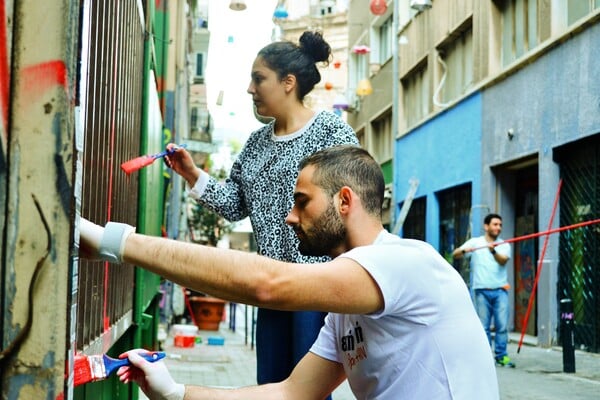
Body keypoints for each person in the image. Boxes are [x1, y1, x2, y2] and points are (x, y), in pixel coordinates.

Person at [80, 145, 499, 400]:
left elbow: (268, 285)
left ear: (344, 202)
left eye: (302, 201)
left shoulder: (407, 261)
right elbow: (292, 393)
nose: (290, 217)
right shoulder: (345, 311)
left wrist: (112, 243)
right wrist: (174, 392)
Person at [164, 30, 358, 387]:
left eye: (258, 79)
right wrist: (192, 174)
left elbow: (354, 203)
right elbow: (235, 205)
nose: (250, 89)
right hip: (269, 286)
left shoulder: (332, 133)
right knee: (271, 384)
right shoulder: (255, 144)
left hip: (316, 286)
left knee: (308, 391)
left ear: (288, 82)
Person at [452, 213, 515, 368]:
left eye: (500, 225)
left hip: (500, 291)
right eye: (495, 224)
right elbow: (456, 254)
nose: (498, 227)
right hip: (481, 290)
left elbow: (502, 261)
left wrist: (493, 251)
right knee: (484, 326)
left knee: (501, 326)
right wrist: (466, 250)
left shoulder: (504, 245)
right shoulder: (476, 242)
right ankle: (485, 357)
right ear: (486, 226)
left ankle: (501, 356)